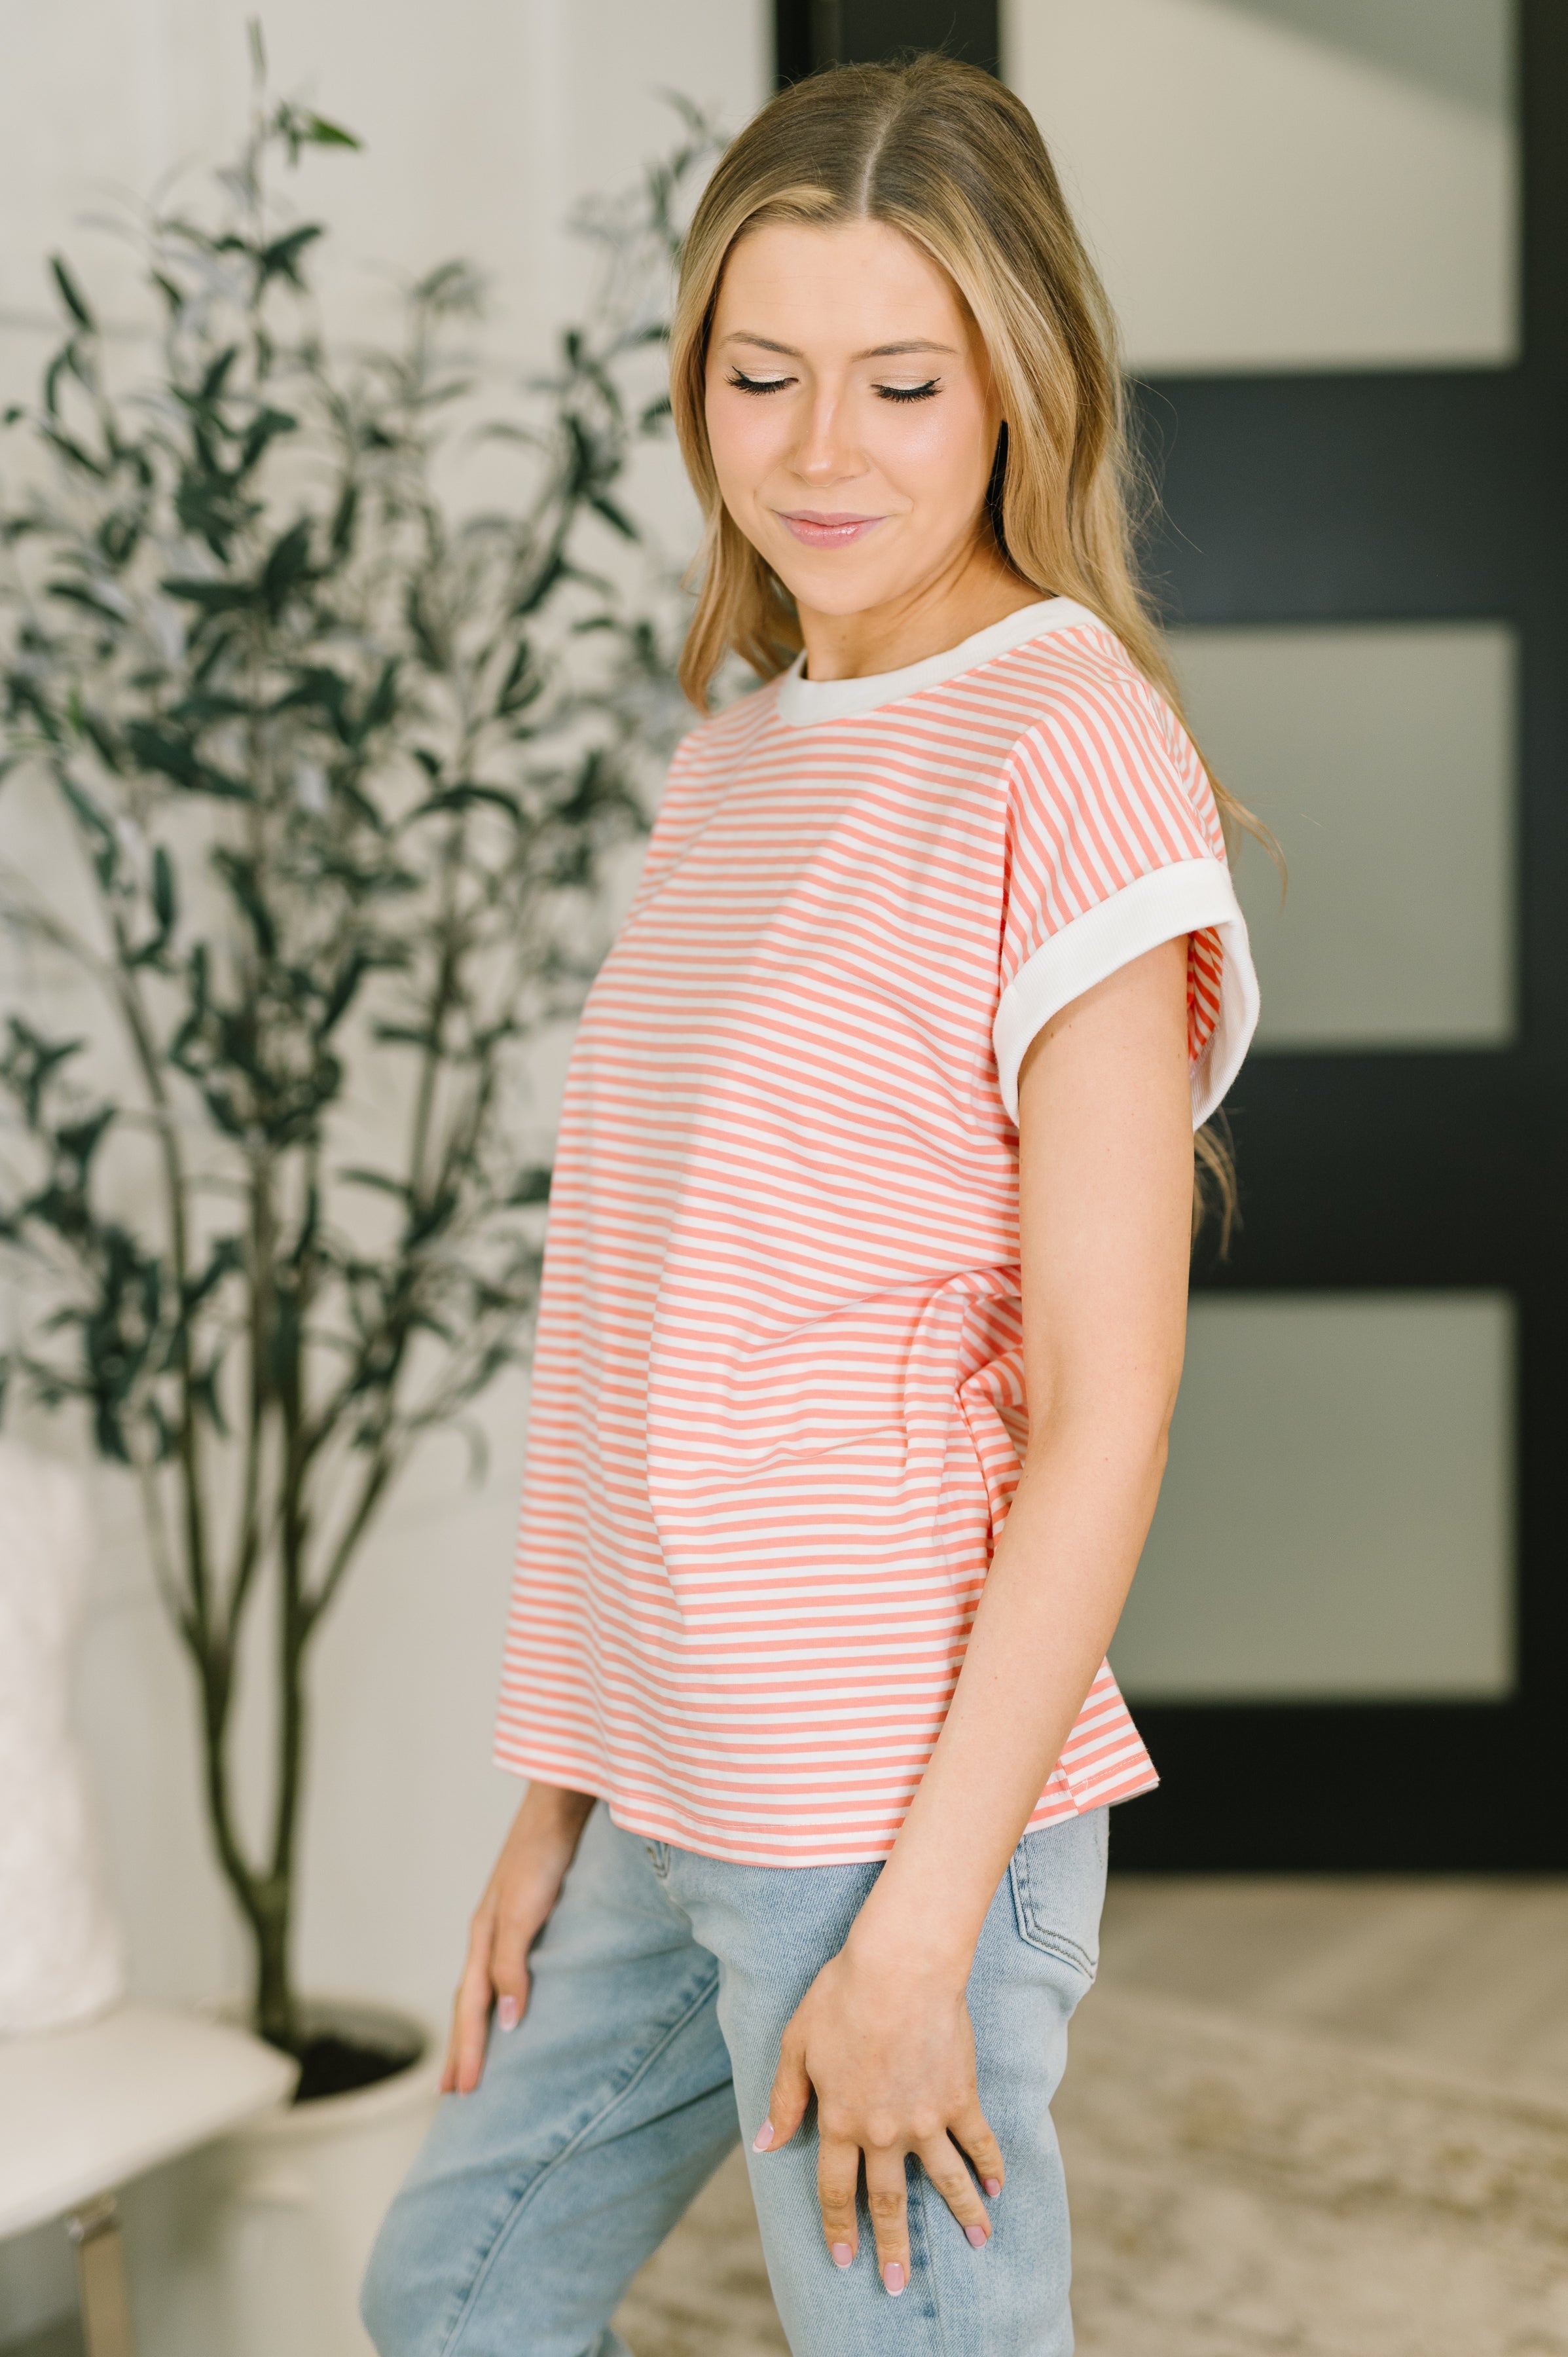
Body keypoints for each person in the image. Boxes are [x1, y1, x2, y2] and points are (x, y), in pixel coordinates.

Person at [361, 51, 1258, 2357]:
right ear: (695, 384)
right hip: (680, 1773)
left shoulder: (1067, 749)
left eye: (897, 380)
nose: (820, 449)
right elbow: (651, 1326)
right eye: (762, 376)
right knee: (447, 2298)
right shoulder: (743, 750)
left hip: (882, 1801)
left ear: (1014, 390)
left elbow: (1105, 1410)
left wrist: (920, 1934)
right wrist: (563, 1789)